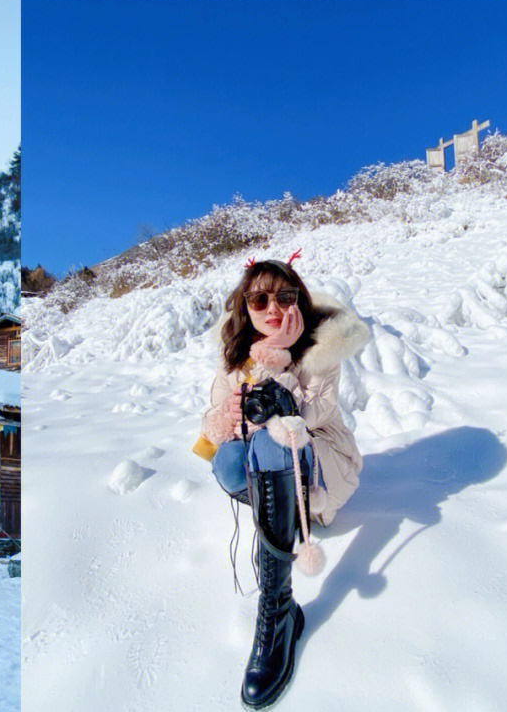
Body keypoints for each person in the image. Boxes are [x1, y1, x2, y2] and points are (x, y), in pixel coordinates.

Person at [196, 257, 368, 708]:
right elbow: (212, 423)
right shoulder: (235, 353)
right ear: (244, 307)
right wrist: (231, 415)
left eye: (285, 296)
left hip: (322, 465)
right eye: (259, 298)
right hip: (276, 471)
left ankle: (278, 611)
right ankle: (279, 511)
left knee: (276, 438)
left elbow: (312, 415)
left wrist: (281, 361)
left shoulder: (318, 345)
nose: (272, 307)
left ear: (299, 302)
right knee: (227, 463)